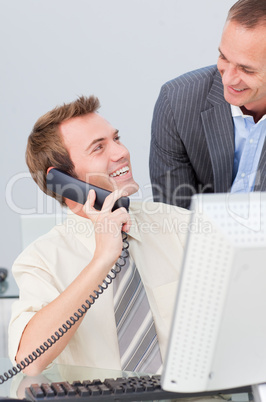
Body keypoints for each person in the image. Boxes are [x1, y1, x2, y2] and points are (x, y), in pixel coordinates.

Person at [8, 95, 190, 377]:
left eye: (116, 139)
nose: (121, 152)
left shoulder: (178, 225)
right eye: (99, 148)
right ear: (62, 180)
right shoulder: (40, 260)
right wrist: (102, 260)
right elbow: (30, 361)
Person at [149, 0, 266, 209]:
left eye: (246, 70)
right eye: (223, 57)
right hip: (196, 239)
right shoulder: (177, 103)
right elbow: (174, 218)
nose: (228, 79)